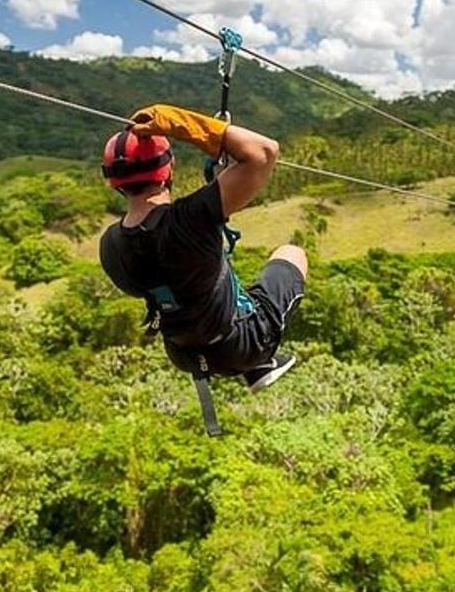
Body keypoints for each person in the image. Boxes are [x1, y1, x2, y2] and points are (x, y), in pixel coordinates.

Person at [98, 103, 305, 392]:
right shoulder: (190, 219)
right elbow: (264, 153)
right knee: (292, 254)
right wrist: (183, 124)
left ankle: (258, 367)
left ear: (112, 181)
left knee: (207, 284)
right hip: (242, 342)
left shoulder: (110, 245)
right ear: (168, 168)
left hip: (187, 354)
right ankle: (259, 360)